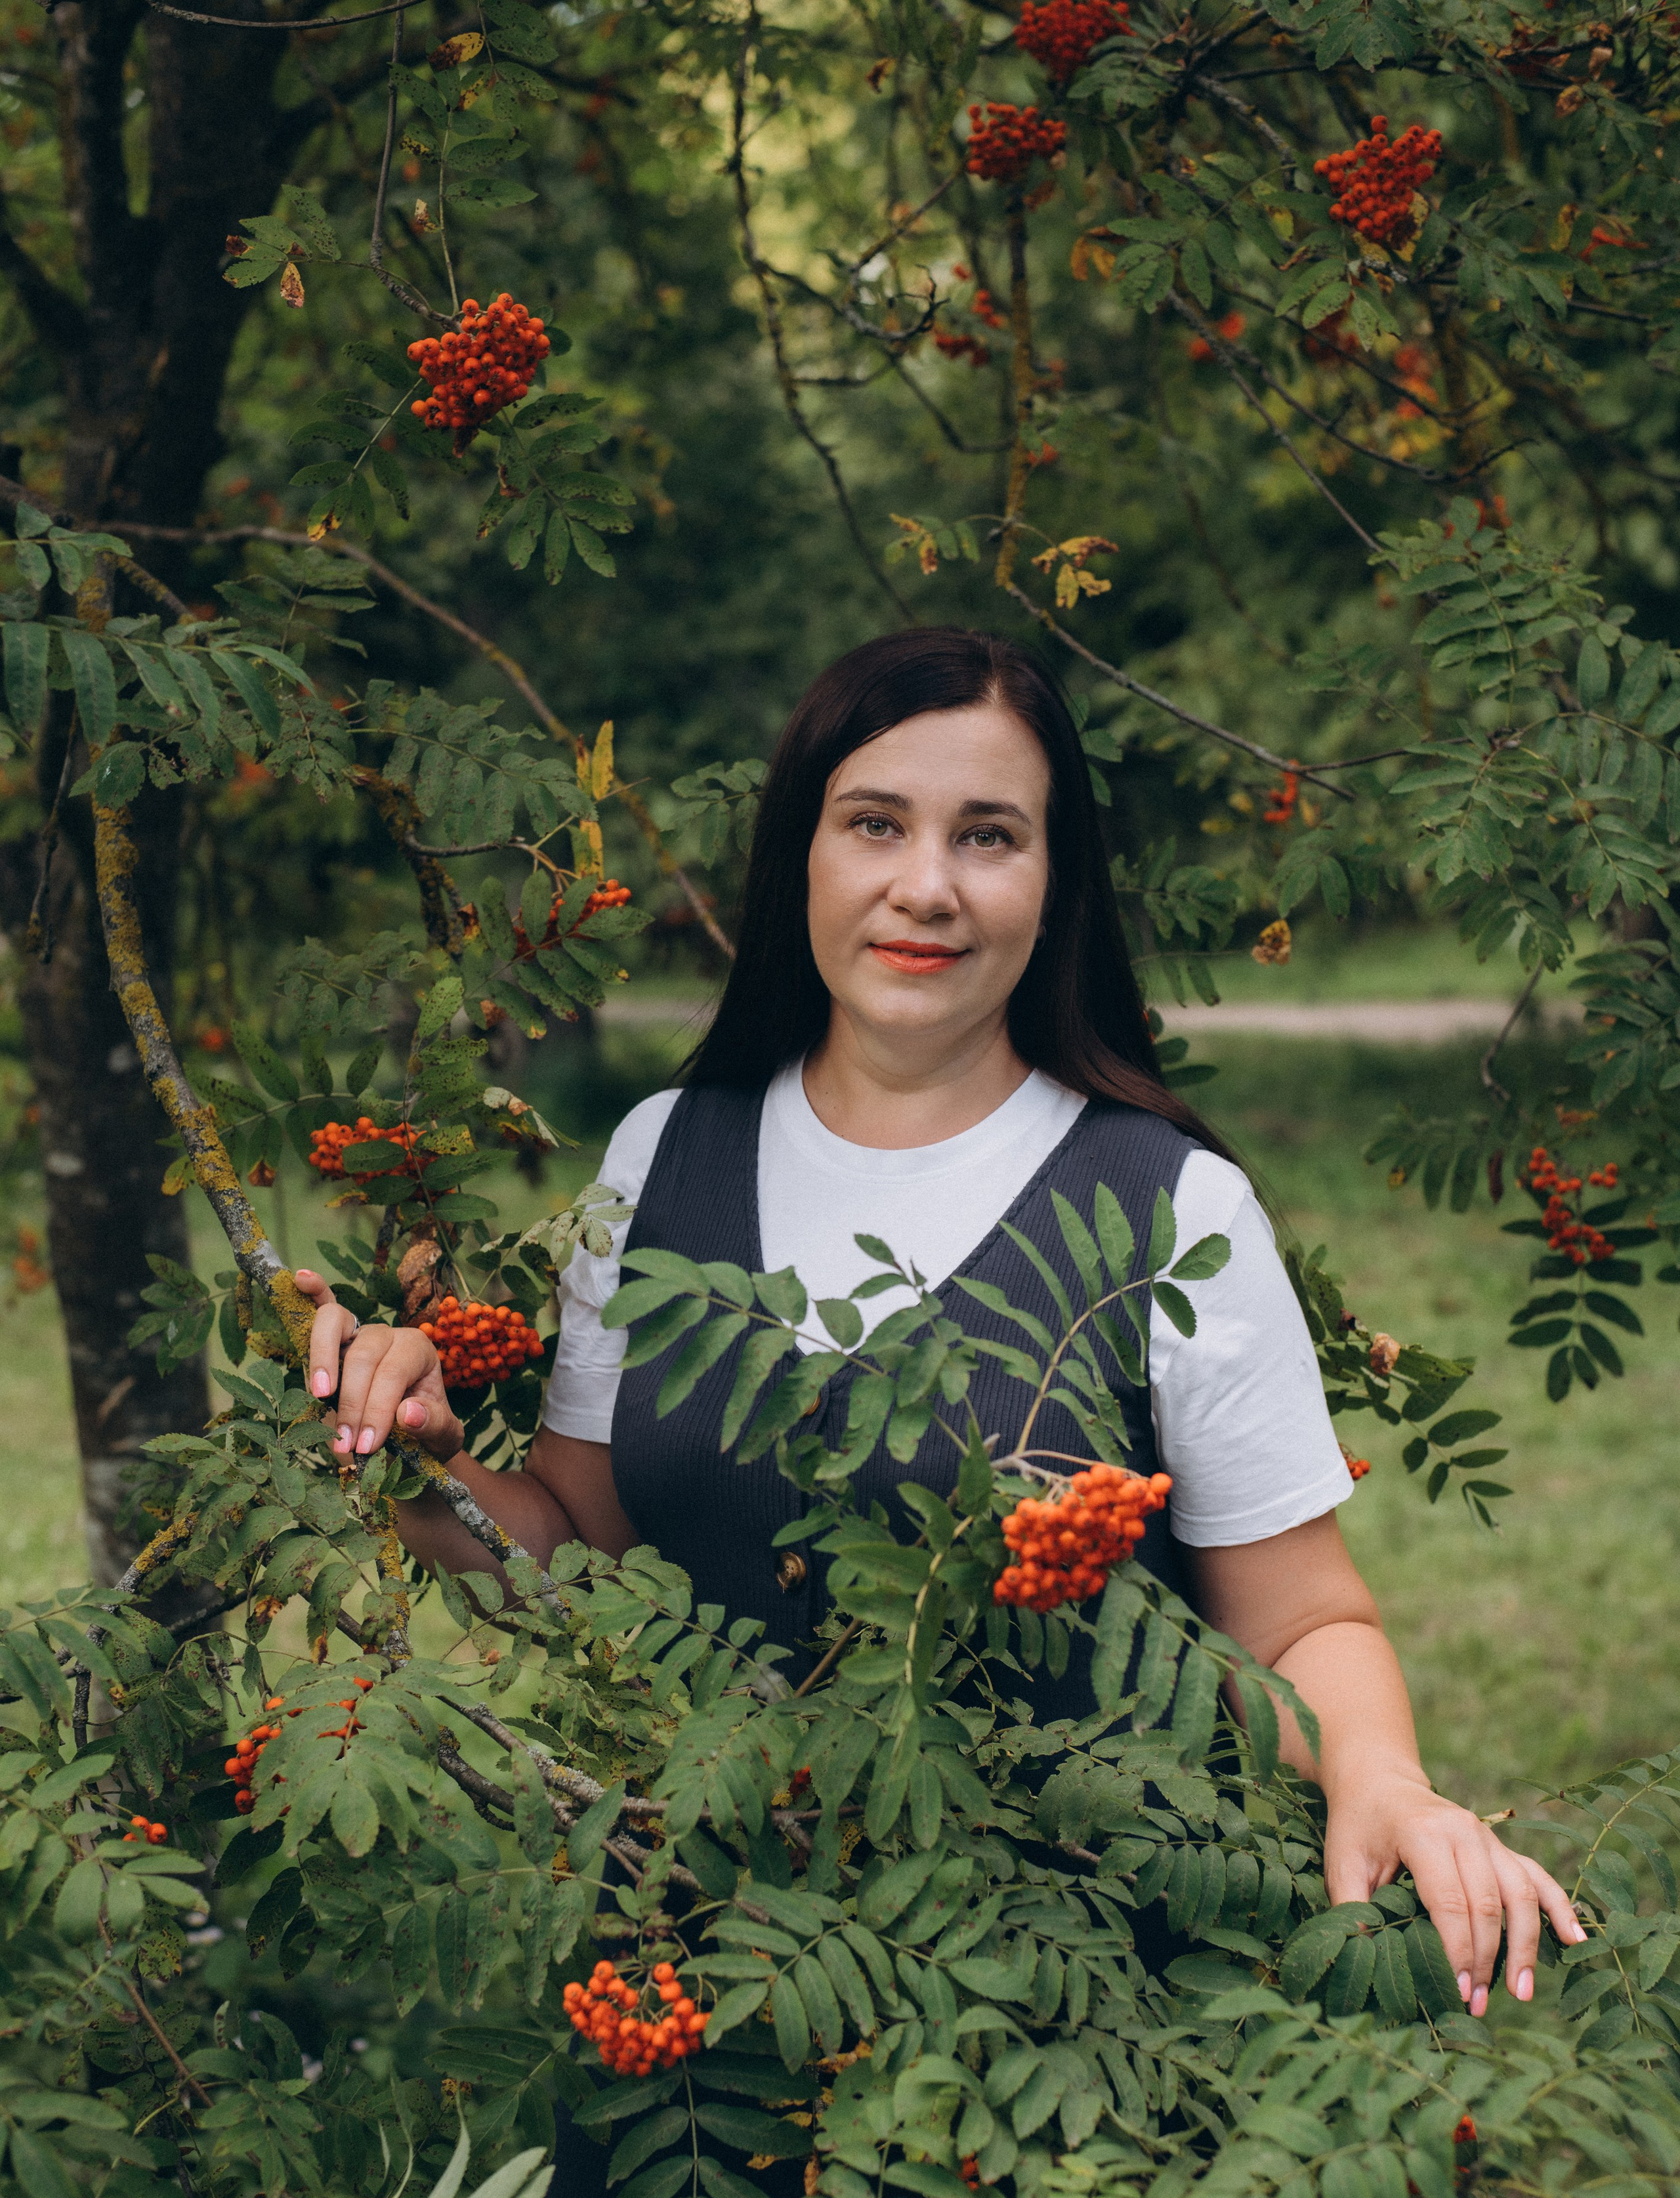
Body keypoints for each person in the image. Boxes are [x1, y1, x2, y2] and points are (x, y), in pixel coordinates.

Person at [299, 625, 1585, 2020]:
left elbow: (1295, 1622)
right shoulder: (662, 1154)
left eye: (987, 836)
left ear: (1050, 882)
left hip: (1070, 2020)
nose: (925, 886)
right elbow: (576, 1542)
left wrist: (1385, 1781)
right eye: (874, 824)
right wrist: (424, 1466)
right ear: (804, 851)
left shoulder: (1171, 1206)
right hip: (701, 1988)